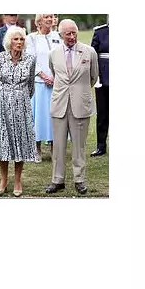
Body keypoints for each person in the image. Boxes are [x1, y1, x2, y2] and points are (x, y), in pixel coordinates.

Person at [45, 19, 99, 195]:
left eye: (74, 32)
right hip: (59, 104)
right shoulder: (53, 54)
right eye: (68, 33)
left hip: (80, 105)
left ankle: (79, 179)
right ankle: (57, 180)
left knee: (79, 146)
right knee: (58, 146)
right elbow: (55, 74)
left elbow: (93, 77)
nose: (72, 36)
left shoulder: (89, 52)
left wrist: (79, 92)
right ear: (60, 35)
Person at [0, 26, 37, 197]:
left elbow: (31, 86)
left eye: (22, 39)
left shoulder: (30, 59)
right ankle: (3, 180)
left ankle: (17, 181)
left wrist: (20, 97)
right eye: (15, 39)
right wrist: (1, 100)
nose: (19, 42)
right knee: (3, 141)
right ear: (9, 41)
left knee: (21, 141)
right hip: (2, 104)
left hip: (22, 104)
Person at [24, 13, 60, 162]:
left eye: (51, 16)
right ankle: (36, 149)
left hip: (57, 83)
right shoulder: (31, 38)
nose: (50, 19)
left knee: (55, 117)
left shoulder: (58, 36)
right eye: (46, 17)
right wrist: (44, 76)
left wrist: (56, 77)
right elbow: (30, 60)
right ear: (39, 21)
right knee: (38, 117)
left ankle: (54, 149)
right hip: (39, 83)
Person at [91, 22, 109, 156]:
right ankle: (101, 146)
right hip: (103, 78)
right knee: (102, 114)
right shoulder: (100, 32)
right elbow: (92, 55)